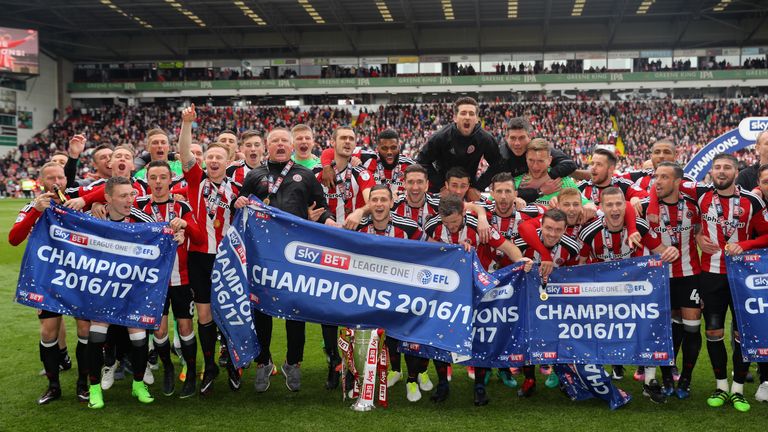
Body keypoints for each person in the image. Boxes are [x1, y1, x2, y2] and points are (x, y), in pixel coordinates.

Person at [648, 154, 766, 412]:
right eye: (717, 167)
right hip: (709, 274)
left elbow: (766, 233)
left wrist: (744, 245)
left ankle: (737, 390)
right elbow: (662, 183)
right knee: (713, 330)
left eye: (727, 168)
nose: (721, 172)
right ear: (710, 171)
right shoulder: (699, 192)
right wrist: (654, 208)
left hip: (741, 276)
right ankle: (721, 386)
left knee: (741, 333)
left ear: (737, 171)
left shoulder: (752, 200)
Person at [235, 127, 335, 393]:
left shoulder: (305, 175)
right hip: (262, 256)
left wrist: (329, 221)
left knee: (295, 311)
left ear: (291, 146)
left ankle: (293, 362)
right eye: (275, 141)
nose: (280, 144)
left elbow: (322, 208)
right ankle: (263, 361)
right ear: (268, 146)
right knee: (261, 310)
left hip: (294, 257)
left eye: (284, 141)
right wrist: (239, 201)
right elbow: (239, 204)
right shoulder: (255, 175)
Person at [424, 194, 531, 406]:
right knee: (440, 333)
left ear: (463, 213)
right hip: (447, 288)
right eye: (447, 223)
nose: (452, 227)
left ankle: (480, 386)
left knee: (480, 335)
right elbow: (428, 252)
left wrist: (521, 261)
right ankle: (443, 383)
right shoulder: (433, 226)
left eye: (455, 222)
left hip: (480, 287)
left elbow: (509, 248)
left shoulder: (479, 226)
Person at [8, 162, 91, 405]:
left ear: (67, 179)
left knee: (85, 329)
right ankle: (53, 386)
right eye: (51, 177)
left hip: (79, 277)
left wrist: (88, 203)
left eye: (61, 177)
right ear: (41, 181)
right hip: (48, 278)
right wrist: (36, 211)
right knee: (48, 331)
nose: (57, 181)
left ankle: (82, 384)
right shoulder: (33, 205)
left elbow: (104, 192)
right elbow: (14, 239)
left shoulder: (77, 202)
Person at [83, 176, 162, 409]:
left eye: (132, 195)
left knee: (139, 339)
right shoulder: (91, 219)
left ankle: (138, 385)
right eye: (123, 196)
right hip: (102, 289)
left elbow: (161, 239)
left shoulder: (142, 219)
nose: (130, 200)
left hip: (132, 289)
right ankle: (94, 389)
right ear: (107, 197)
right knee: (96, 337)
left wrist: (176, 233)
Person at [179, 104, 242, 396]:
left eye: (220, 156)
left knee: (227, 313)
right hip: (199, 257)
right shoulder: (196, 181)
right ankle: (209, 366)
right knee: (203, 314)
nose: (215, 160)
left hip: (226, 259)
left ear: (229, 161)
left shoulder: (237, 190)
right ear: (205, 161)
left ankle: (231, 363)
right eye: (211, 157)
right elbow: (183, 153)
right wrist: (187, 124)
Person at [134, 160, 204, 399]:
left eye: (163, 177)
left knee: (185, 326)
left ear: (171, 180)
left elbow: (199, 235)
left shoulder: (181, 205)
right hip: (154, 280)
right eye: (153, 178)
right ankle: (168, 368)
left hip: (181, 277)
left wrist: (185, 226)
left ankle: (192, 372)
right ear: (147, 181)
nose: (158, 182)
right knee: (160, 330)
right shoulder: (139, 207)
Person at [352, 184, 429, 402]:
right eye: (374, 200)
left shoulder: (409, 227)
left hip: (405, 292)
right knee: (380, 339)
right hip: (371, 293)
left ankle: (412, 381)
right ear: (369, 204)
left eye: (383, 200)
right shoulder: (359, 226)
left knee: (410, 336)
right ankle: (363, 382)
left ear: (391, 203)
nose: (378, 204)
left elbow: (431, 250)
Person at [639, 162, 703, 400]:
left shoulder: (693, 204)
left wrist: (700, 236)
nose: (658, 181)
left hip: (688, 274)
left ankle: (686, 378)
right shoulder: (644, 206)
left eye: (665, 177)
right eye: (656, 176)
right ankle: (666, 375)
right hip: (657, 278)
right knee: (661, 329)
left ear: (678, 182)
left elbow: (700, 227)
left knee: (692, 327)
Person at [416, 97, 503, 197]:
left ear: (477, 118)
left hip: (469, 188)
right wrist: (441, 186)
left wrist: (478, 187)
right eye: (463, 113)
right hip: (443, 188)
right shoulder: (441, 137)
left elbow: (497, 164)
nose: (467, 117)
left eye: (471, 114)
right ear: (455, 117)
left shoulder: (485, 139)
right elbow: (422, 160)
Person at [496, 117, 577, 203]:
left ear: (529, 137)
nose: (517, 143)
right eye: (513, 138)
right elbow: (502, 194)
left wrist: (542, 180)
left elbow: (570, 164)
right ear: (506, 138)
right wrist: (539, 191)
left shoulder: (537, 148)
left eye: (522, 138)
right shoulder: (501, 158)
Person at [513, 138, 585, 206]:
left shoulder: (562, 181)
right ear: (526, 158)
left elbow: (588, 206)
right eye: (531, 160)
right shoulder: (514, 181)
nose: (535, 166)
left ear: (550, 160)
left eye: (540, 161)